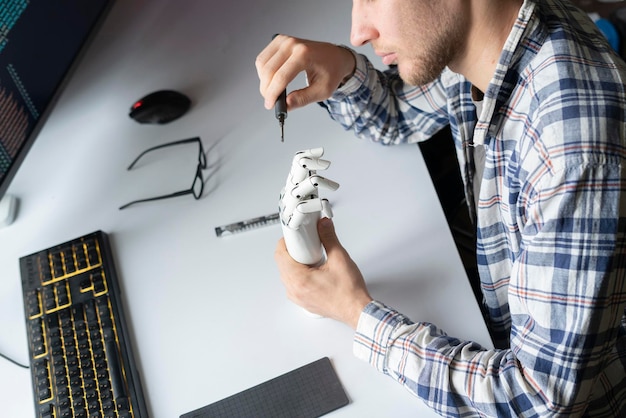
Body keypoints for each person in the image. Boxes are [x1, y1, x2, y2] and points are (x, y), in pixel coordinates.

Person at [256, 0, 626, 416]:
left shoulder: (572, 147)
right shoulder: (485, 42)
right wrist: (342, 67)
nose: (358, 32)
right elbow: (399, 114)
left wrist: (355, 312)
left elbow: (538, 400)